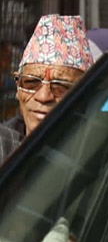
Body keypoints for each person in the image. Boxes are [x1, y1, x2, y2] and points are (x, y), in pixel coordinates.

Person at [0, 15, 93, 162]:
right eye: (31, 82)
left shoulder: (101, 156)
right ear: (18, 87)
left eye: (60, 86)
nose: (43, 97)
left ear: (86, 94)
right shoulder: (3, 145)